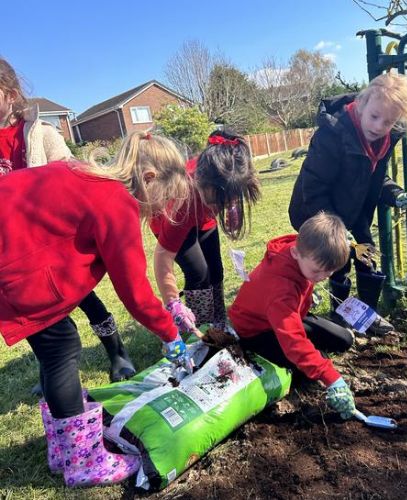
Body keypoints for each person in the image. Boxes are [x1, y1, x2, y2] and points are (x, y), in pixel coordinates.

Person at [0, 131, 194, 487]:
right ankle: (84, 461)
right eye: (164, 197)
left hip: (14, 257)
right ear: (149, 178)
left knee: (57, 346)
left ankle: (62, 448)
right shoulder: (115, 202)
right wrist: (171, 337)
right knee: (61, 349)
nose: (161, 207)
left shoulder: (86, 174)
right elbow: (134, 293)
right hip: (14, 267)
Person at [0, 57, 136, 385]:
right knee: (44, 316)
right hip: (19, 246)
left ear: (11, 95)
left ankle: (116, 350)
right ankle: (56, 370)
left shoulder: (39, 134)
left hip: (52, 239)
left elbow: (70, 175)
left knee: (85, 299)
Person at [288, 72, 407, 335]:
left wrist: (395, 193)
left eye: (388, 121)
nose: (378, 126)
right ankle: (340, 316)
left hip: (353, 210)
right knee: (338, 259)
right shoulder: (331, 135)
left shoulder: (384, 138)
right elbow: (314, 187)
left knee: (367, 257)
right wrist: (336, 229)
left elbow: (374, 174)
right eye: (375, 116)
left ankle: (364, 317)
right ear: (362, 103)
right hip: (317, 208)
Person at [228, 212, 357, 419]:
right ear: (296, 253)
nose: (322, 277)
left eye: (329, 272)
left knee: (343, 340)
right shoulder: (280, 289)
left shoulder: (308, 250)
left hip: (288, 315)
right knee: (311, 370)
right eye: (317, 272)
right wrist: (332, 378)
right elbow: (293, 340)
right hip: (256, 330)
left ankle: (313, 358)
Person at [151, 129, 260, 334]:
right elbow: (162, 258)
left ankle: (218, 321)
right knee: (199, 272)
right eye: (215, 201)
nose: (219, 207)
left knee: (215, 268)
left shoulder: (231, 173)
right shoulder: (184, 199)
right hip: (171, 219)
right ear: (202, 184)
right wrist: (173, 303)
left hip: (201, 217)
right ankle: (200, 325)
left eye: (226, 200)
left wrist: (232, 205)